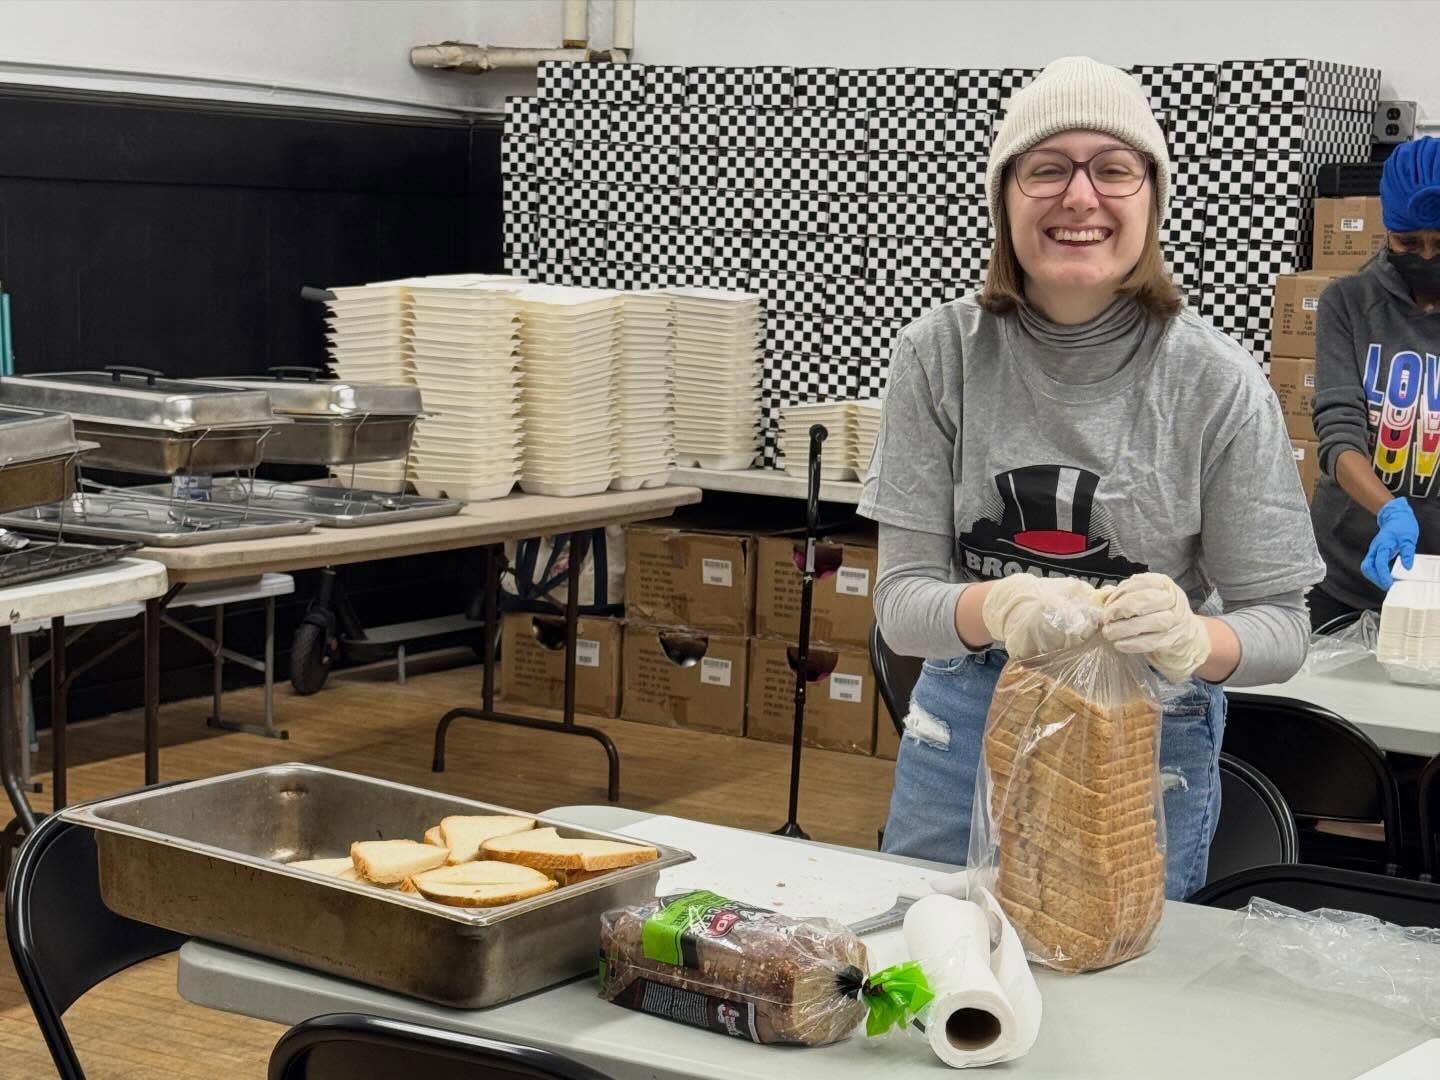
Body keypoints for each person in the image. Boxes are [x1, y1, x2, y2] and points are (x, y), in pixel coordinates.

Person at [859, 56, 1323, 901]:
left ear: (1151, 198)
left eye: (1114, 169)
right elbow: (901, 607)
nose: (1081, 197)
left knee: (1111, 987)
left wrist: (1195, 641)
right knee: (935, 977)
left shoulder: (1215, 382)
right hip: (964, 721)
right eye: (1047, 169)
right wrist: (991, 607)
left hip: (1147, 731)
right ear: (1005, 199)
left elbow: (1282, 631)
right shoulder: (941, 355)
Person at [1309, 137, 1440, 630]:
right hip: (1346, 567)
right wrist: (1389, 511)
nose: (1426, 258)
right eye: (1409, 243)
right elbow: (1338, 430)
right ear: (1388, 230)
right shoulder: (1348, 303)